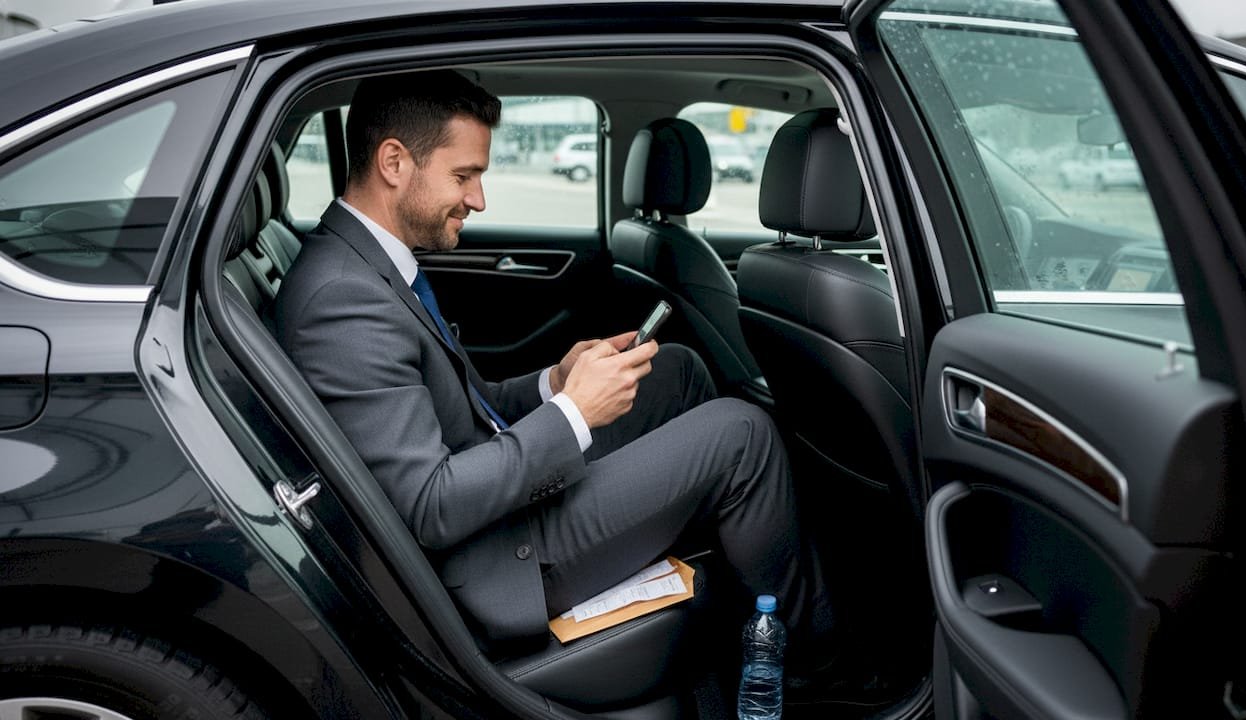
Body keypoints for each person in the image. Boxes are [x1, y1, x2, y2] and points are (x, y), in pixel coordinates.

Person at [274, 70, 834, 665]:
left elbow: (470, 408)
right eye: (463, 176)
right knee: (743, 435)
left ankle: (706, 548)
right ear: (393, 162)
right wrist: (574, 414)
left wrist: (556, 383)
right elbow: (430, 507)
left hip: (497, 507)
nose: (478, 200)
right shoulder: (343, 298)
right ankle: (814, 662)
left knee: (676, 371)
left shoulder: (368, 266)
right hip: (498, 559)